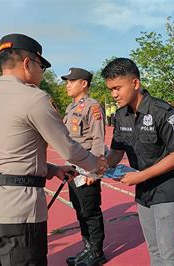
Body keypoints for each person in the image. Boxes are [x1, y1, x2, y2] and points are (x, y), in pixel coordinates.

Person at [0, 34, 107, 265]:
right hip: (19, 211)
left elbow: (12, 154)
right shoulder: (34, 98)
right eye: (41, 66)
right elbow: (69, 149)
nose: (42, 73)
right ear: (28, 63)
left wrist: (52, 169)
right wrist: (96, 166)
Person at [102, 58, 174, 266]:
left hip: (168, 190)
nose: (114, 94)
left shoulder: (162, 111)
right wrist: (96, 169)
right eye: (110, 90)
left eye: (117, 88)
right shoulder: (121, 115)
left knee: (168, 251)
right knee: (153, 249)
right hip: (143, 191)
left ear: (135, 83)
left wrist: (139, 176)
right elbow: (116, 153)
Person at [60, 67, 107, 265]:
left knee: (91, 211)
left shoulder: (92, 106)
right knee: (80, 210)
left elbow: (98, 140)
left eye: (71, 81)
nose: (67, 85)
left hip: (87, 168)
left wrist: (93, 171)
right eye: (67, 81)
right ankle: (87, 248)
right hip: (73, 169)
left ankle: (96, 253)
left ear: (84, 84)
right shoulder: (71, 108)